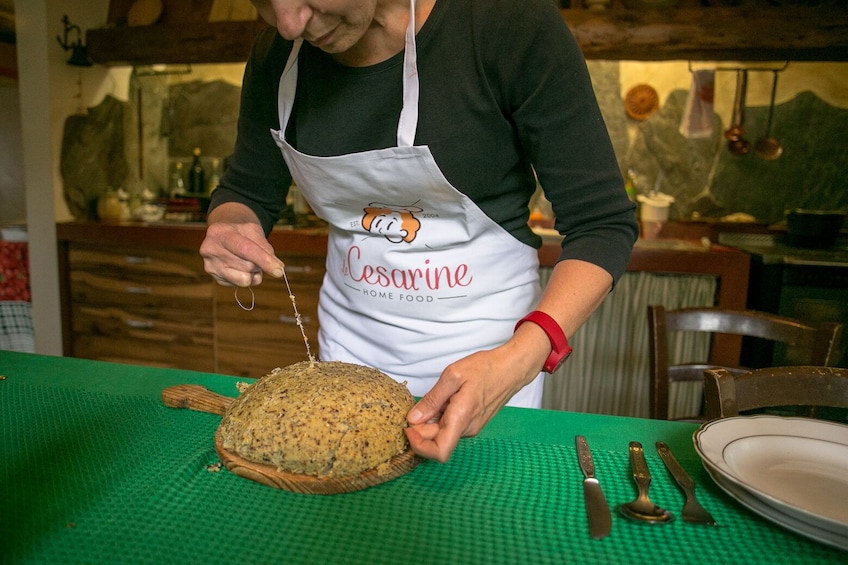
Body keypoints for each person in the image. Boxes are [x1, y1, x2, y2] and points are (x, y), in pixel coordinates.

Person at [200, 0, 639, 463]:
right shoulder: (278, 57)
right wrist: (231, 224)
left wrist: (519, 360)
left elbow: (601, 223)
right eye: (264, 2)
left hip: (492, 363)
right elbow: (247, 188)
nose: (289, 24)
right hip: (345, 363)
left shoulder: (507, 23)